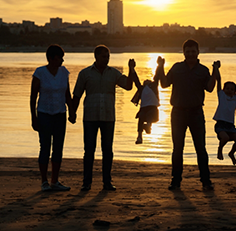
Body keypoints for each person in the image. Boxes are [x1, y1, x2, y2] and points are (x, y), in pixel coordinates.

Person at [69, 45, 134, 191]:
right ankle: (87, 183)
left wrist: (131, 69)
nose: (106, 59)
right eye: (104, 56)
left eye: (108, 57)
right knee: (89, 150)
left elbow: (128, 86)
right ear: (96, 56)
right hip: (90, 117)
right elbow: (77, 95)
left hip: (108, 117)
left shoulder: (114, 73)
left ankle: (107, 182)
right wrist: (72, 113)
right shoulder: (85, 74)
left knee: (107, 150)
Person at [157, 39, 218, 190]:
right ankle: (175, 181)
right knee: (178, 149)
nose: (190, 54)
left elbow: (210, 88)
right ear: (183, 52)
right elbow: (164, 83)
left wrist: (216, 71)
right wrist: (160, 67)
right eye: (188, 51)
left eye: (193, 51)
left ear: (198, 52)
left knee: (201, 148)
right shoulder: (177, 68)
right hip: (178, 113)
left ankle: (206, 181)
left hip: (196, 113)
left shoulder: (203, 70)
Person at [30, 44, 72, 192]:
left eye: (62, 58)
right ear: (51, 58)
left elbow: (67, 94)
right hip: (44, 114)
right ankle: (44, 181)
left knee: (58, 148)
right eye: (59, 58)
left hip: (60, 113)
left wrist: (72, 111)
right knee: (45, 147)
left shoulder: (64, 72)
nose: (62, 61)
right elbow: (33, 96)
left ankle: (55, 180)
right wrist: (33, 118)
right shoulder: (40, 73)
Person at [212, 62, 236, 165]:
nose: (229, 91)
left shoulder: (235, 99)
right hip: (220, 125)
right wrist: (216, 68)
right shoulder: (221, 96)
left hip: (230, 126)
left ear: (234, 91)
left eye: (232, 89)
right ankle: (220, 150)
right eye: (227, 88)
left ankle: (231, 153)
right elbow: (219, 80)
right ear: (223, 90)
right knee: (225, 138)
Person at [131, 63, 160, 144]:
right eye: (145, 81)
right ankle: (139, 136)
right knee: (141, 117)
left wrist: (159, 65)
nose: (146, 80)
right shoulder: (141, 88)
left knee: (150, 115)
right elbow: (136, 80)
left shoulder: (153, 87)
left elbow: (157, 77)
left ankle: (148, 126)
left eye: (148, 80)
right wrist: (132, 69)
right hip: (143, 109)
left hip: (153, 108)